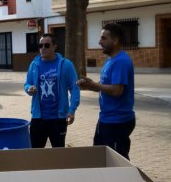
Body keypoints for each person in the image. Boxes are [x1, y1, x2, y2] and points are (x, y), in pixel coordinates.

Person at [77, 23, 135, 160]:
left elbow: (116, 91)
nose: (99, 42)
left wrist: (93, 86)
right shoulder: (111, 59)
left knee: (116, 162)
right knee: (99, 156)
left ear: (115, 41)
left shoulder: (120, 61)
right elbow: (106, 86)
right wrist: (91, 85)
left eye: (104, 38)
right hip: (106, 118)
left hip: (117, 121)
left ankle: (122, 181)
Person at [24, 34, 80, 148]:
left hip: (58, 119)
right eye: (40, 45)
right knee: (35, 154)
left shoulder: (66, 64)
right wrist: (29, 89)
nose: (43, 48)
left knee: (58, 155)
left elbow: (74, 88)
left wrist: (72, 109)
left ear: (55, 46)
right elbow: (27, 83)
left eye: (47, 45)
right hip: (38, 118)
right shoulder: (34, 65)